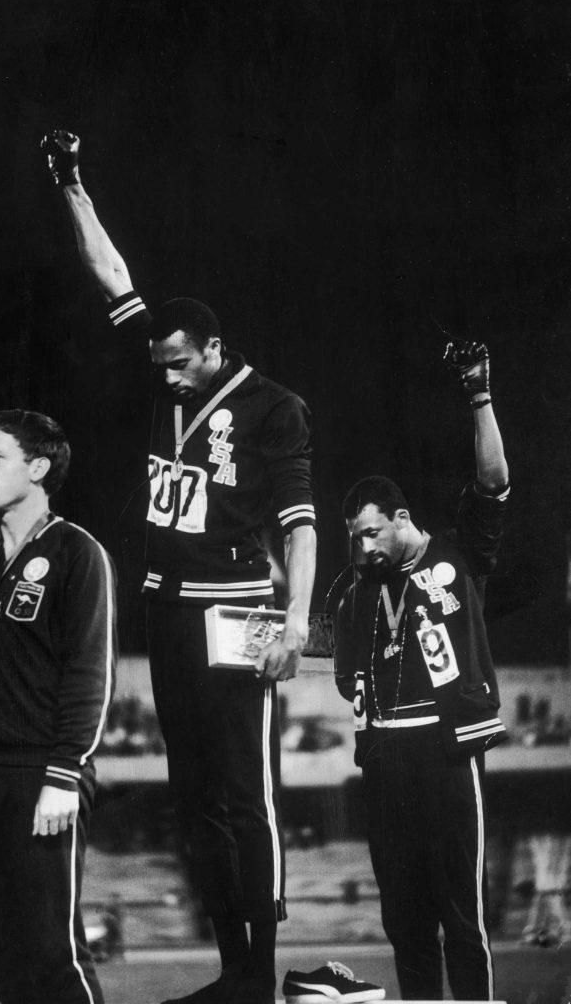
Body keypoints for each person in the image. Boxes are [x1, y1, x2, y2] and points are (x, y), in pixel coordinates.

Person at [41, 129, 327, 1004]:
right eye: (156, 365)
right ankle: (229, 968)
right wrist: (72, 185)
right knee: (193, 791)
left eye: (176, 366)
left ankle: (260, 969)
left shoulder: (275, 408)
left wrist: (298, 622)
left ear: (210, 349)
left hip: (238, 611)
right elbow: (112, 276)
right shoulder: (162, 366)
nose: (162, 380)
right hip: (167, 609)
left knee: (247, 793)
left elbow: (302, 525)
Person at [334, 340, 510, 1001]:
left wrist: (478, 396)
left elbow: (492, 484)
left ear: (401, 518)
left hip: (444, 748)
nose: (363, 544)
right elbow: (341, 665)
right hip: (384, 756)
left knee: (458, 918)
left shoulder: (456, 555)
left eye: (372, 532)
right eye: (354, 535)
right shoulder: (357, 592)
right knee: (404, 923)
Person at [0, 410, 117, 1004]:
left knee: (52, 952)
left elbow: (92, 673)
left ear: (38, 468)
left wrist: (64, 773)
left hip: (42, 777)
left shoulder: (78, 553)